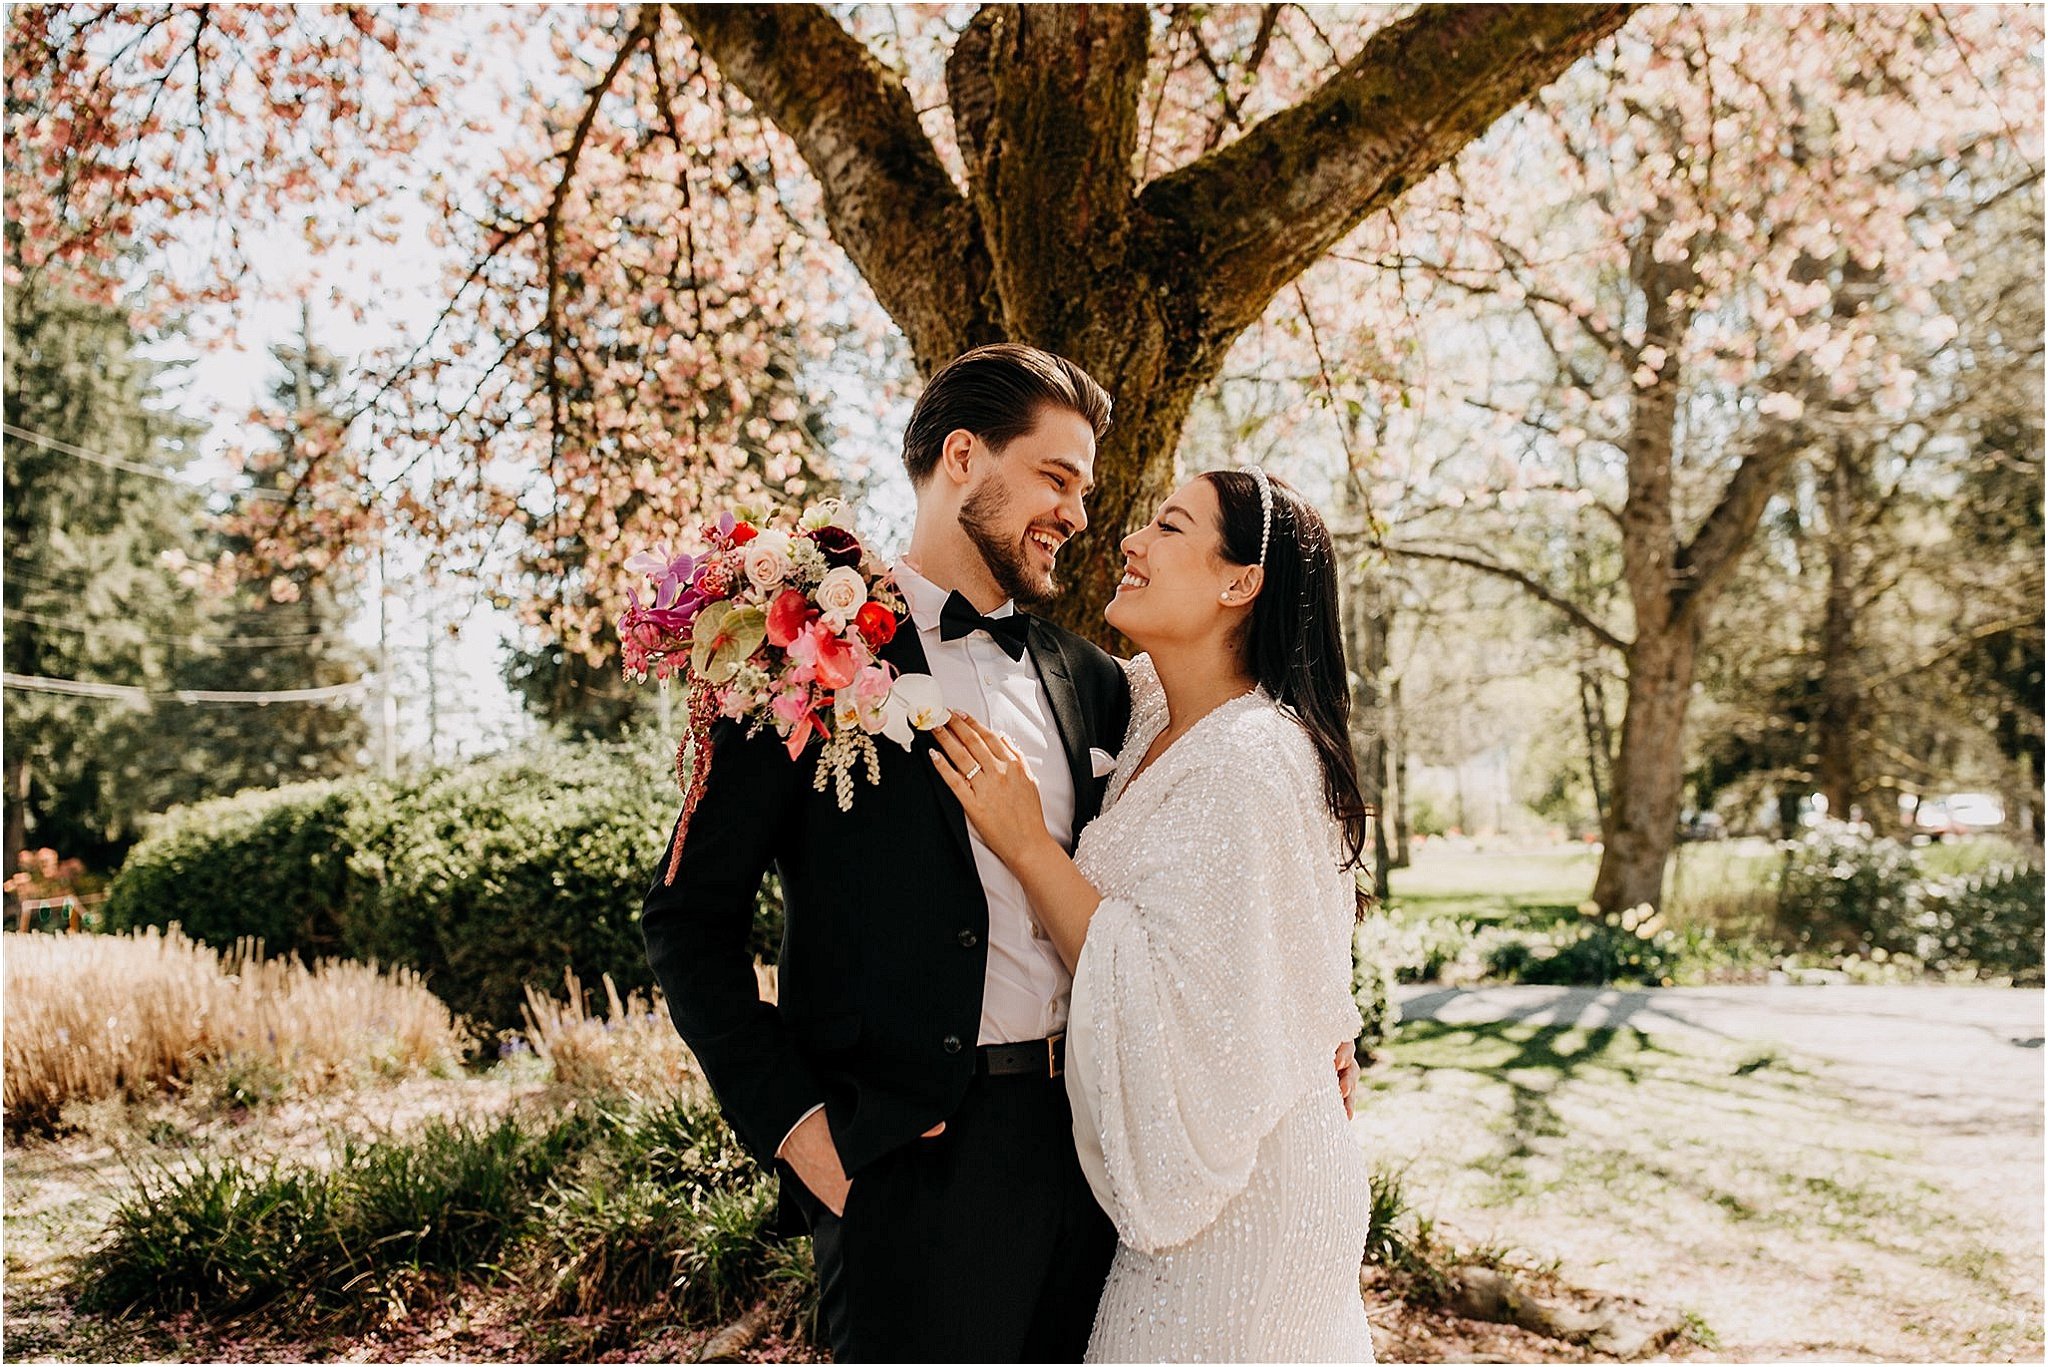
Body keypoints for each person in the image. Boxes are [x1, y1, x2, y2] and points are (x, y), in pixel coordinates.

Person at [641, 344, 1131, 1362]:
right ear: (962, 455)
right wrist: (806, 1137)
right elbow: (687, 921)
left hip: (1090, 1151)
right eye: (1055, 476)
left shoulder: (1096, 681)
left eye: (1082, 488)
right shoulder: (793, 652)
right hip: (905, 1166)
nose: (1077, 514)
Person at [930, 466, 1378, 1362]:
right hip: (1196, 1176)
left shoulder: (1254, 758)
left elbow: (1174, 982)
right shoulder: (1147, 712)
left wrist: (1029, 845)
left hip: (1243, 1193)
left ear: (1240, 581)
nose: (1128, 541)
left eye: (1168, 528)